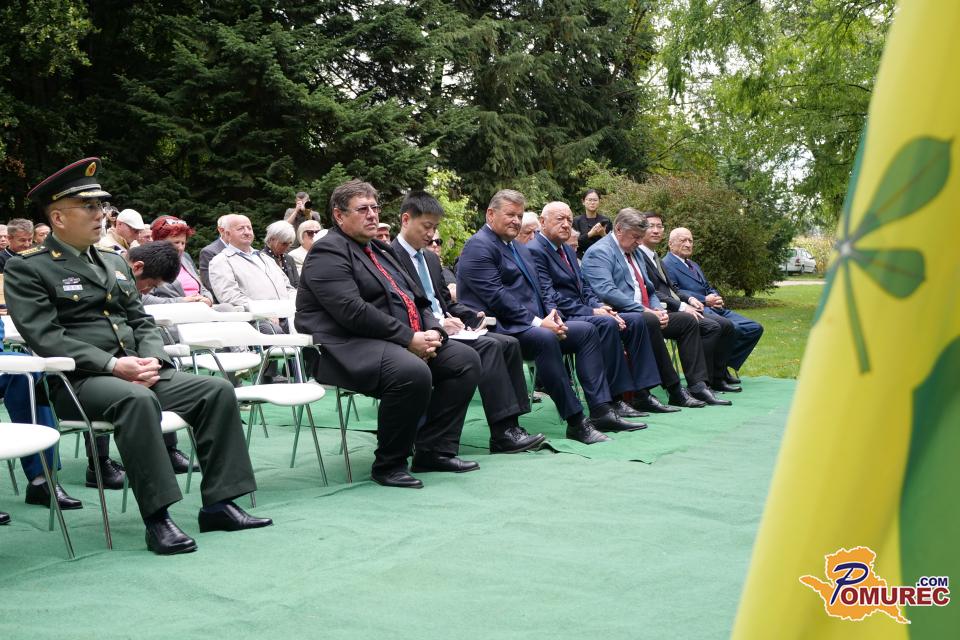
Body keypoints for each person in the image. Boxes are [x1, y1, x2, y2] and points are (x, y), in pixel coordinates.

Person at [7, 157, 271, 555]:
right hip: (78, 381)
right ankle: (158, 519)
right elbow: (46, 337)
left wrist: (152, 361)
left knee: (215, 391)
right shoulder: (29, 268)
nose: (100, 214)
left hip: (137, 371)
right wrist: (114, 365)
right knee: (137, 400)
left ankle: (220, 504)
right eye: (89, 207)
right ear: (58, 218)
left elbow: (141, 320)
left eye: (101, 206)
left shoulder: (114, 261)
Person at [296, 179, 482, 489]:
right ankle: (389, 464)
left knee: (464, 360)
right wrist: (409, 339)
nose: (372, 214)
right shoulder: (327, 251)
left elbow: (418, 299)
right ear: (339, 216)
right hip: (345, 346)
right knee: (412, 371)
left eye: (375, 207)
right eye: (362, 209)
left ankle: (433, 450)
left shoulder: (381, 249)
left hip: (394, 340)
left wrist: (433, 331)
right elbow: (352, 311)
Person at [457, 189, 641, 444]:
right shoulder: (478, 246)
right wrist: (538, 322)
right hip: (499, 326)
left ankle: (601, 409)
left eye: (519, 215)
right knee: (545, 338)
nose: (516, 221)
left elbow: (541, 290)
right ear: (490, 214)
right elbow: (496, 297)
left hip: (531, 323)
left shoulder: (517, 248)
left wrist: (553, 316)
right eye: (510, 214)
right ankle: (576, 421)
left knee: (587, 331)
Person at [391, 191, 545, 453]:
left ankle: (512, 424)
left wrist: (472, 315)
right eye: (427, 227)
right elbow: (400, 306)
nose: (431, 234)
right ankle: (502, 433)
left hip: (450, 329)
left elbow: (444, 301)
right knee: (491, 347)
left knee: (508, 343)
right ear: (406, 220)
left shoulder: (430, 258)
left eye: (435, 228)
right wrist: (438, 324)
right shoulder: (390, 257)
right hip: (422, 333)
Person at [581, 208, 728, 408]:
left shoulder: (635, 251)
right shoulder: (600, 252)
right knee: (649, 321)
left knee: (687, 320)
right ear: (619, 229)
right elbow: (607, 291)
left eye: (641, 237)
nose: (639, 242)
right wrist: (646, 311)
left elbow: (650, 289)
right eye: (635, 236)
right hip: (619, 314)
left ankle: (698, 385)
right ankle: (674, 389)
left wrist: (658, 309)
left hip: (647, 312)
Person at [529, 201, 660, 419]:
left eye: (569, 219)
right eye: (560, 219)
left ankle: (642, 393)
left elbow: (585, 287)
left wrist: (599, 306)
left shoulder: (566, 249)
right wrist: (592, 312)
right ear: (542, 222)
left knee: (635, 320)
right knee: (606, 323)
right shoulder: (535, 251)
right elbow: (549, 297)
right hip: (559, 317)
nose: (566, 224)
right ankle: (615, 399)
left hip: (582, 311)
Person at [637, 212, 739, 394]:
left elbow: (672, 289)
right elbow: (652, 291)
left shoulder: (655, 257)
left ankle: (716, 378)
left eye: (659, 226)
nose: (656, 230)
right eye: (651, 226)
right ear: (641, 229)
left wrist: (690, 299)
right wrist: (682, 306)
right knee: (712, 326)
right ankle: (702, 383)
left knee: (726, 325)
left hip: (674, 307)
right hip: (657, 311)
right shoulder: (639, 257)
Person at [663, 227, 763, 381]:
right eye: (683, 240)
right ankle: (719, 372)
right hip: (695, 308)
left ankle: (722, 365)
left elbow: (707, 287)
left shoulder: (693, 264)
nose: (688, 244)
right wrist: (704, 300)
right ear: (671, 244)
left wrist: (715, 297)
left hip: (714, 307)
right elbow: (675, 292)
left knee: (754, 328)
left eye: (690, 241)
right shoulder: (666, 264)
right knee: (732, 328)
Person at [208, 215, 296, 313]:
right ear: (227, 234)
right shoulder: (221, 261)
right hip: (258, 319)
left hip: (288, 315)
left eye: (249, 228)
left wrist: (298, 304)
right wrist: (264, 313)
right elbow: (230, 297)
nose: (247, 232)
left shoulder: (266, 258)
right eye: (240, 228)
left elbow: (288, 288)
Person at [147, 216, 215, 305]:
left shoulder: (185, 258)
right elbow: (144, 299)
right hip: (174, 310)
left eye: (183, 243)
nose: (181, 248)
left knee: (227, 307)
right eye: (176, 242)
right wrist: (181, 301)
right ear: (160, 242)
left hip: (200, 307)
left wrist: (208, 299)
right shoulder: (149, 263)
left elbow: (202, 288)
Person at [197, 214, 236, 292]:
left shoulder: (247, 251)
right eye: (238, 228)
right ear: (221, 230)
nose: (244, 232)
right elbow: (210, 284)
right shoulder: (209, 252)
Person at [572, 189, 612, 258]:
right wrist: (590, 234)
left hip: (602, 257)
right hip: (580, 258)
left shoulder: (606, 220)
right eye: (589, 200)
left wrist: (603, 234)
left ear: (599, 202)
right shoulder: (576, 221)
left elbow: (612, 244)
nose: (592, 202)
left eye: (595, 200)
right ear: (583, 202)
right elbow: (573, 243)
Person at [261, 221, 299, 288]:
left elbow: (297, 284)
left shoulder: (289, 259)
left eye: (290, 243)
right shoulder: (261, 259)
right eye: (284, 243)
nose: (287, 247)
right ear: (271, 239)